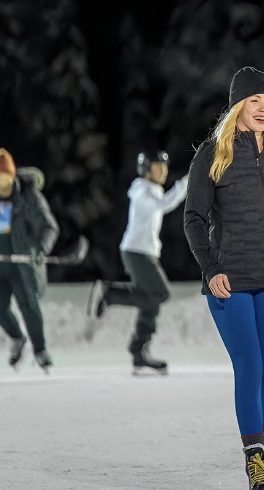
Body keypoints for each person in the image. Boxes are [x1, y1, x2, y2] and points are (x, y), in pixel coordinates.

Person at [184, 66, 264, 490]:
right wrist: (210, 267)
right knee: (248, 366)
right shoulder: (212, 153)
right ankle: (255, 463)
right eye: (254, 100)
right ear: (238, 105)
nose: (263, 108)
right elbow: (193, 219)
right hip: (229, 280)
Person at [86, 148, 189, 375]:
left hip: (145, 253)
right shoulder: (143, 190)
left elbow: (164, 203)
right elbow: (164, 204)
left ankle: (139, 352)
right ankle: (110, 293)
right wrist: (186, 183)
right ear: (145, 170)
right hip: (136, 252)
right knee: (160, 293)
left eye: (164, 167)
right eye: (157, 167)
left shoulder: (152, 190)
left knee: (151, 301)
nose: (162, 171)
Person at [0, 148, 59, 372]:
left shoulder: (28, 198)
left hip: (20, 267)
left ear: (12, 178)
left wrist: (40, 248)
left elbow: (49, 228)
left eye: (3, 180)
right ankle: (17, 338)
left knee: (29, 306)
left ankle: (40, 350)